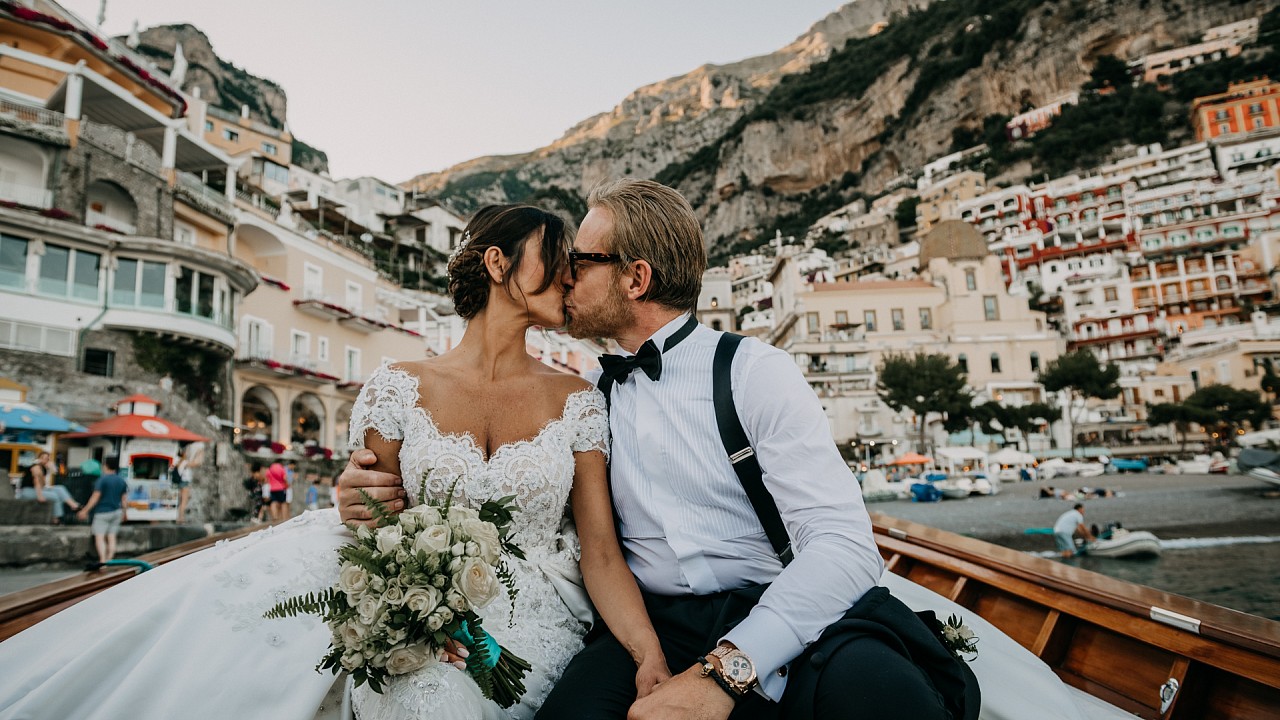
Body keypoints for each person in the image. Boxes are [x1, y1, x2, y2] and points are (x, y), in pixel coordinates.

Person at [343, 179, 973, 720]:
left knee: (887, 701)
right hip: (653, 621)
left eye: (581, 261)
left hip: (780, 602)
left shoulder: (755, 373)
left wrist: (726, 671)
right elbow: (538, 513)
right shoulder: (588, 396)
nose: (565, 274)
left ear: (635, 278)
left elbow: (842, 545)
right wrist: (363, 492)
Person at [0, 203, 646, 720]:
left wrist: (652, 662)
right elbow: (370, 511)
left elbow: (601, 552)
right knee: (431, 702)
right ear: (500, 263)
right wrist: (394, 569)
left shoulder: (577, 398)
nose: (569, 273)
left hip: (539, 613)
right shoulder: (397, 385)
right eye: (557, 256)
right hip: (423, 609)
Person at [76, 456, 128, 564]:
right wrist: (125, 512)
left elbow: (95, 497)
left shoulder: (102, 480)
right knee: (112, 537)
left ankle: (103, 560)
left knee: (100, 537)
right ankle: (110, 560)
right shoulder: (121, 480)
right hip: (117, 512)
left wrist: (85, 510)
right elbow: (124, 499)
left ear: (105, 465)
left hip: (103, 511)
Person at [17, 451, 80, 524]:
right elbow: (36, 481)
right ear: (39, 458)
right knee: (55, 496)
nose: (45, 460)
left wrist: (50, 469)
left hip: (37, 489)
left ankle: (74, 506)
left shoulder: (43, 469)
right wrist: (40, 495)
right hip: (27, 491)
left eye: (47, 459)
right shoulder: (36, 467)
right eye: (43, 458)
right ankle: (56, 519)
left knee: (60, 488)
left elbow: (42, 484)